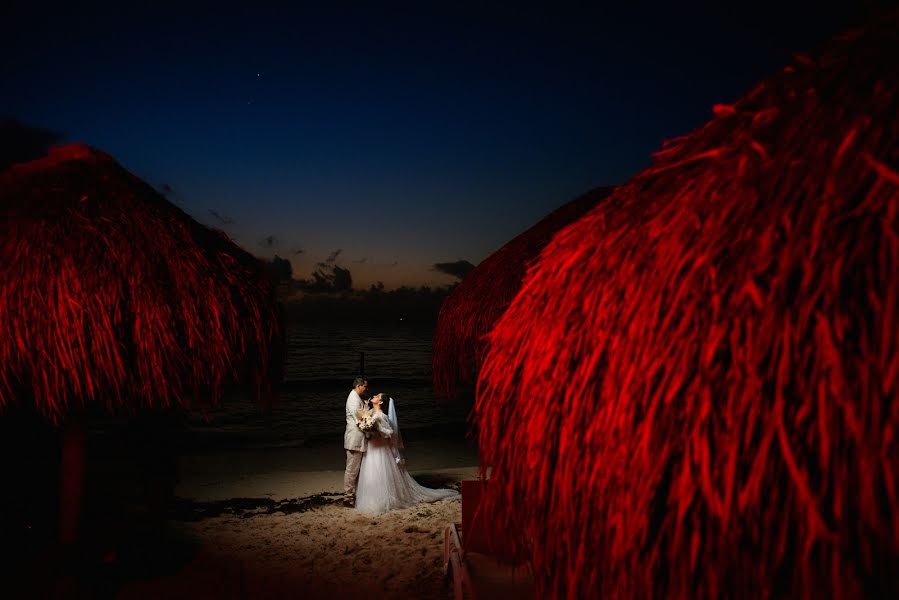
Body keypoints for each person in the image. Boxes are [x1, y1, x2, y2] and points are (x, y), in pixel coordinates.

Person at [355, 393, 459, 515]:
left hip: (381, 449)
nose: (374, 395)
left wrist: (377, 428)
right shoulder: (370, 413)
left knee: (380, 472)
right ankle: (371, 500)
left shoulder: (381, 416)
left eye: (378, 396)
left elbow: (389, 432)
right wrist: (366, 426)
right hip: (372, 447)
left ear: (381, 402)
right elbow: (367, 429)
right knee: (370, 473)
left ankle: (383, 501)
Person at [343, 377, 369, 507]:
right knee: (352, 470)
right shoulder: (353, 399)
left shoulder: (356, 398)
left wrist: (365, 405)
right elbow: (359, 421)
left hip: (358, 439)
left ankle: (354, 494)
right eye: (365, 386)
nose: (366, 389)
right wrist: (370, 429)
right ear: (359, 386)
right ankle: (348, 497)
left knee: (356, 470)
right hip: (354, 439)